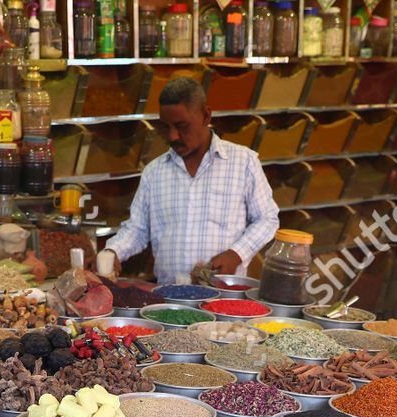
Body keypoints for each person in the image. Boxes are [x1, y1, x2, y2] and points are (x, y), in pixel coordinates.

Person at [102, 77, 280, 284]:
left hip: (222, 297)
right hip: (168, 299)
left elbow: (267, 218)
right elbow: (137, 229)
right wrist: (113, 251)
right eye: (165, 127)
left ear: (205, 116)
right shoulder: (154, 172)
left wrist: (236, 254)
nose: (173, 136)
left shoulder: (244, 163)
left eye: (182, 126)